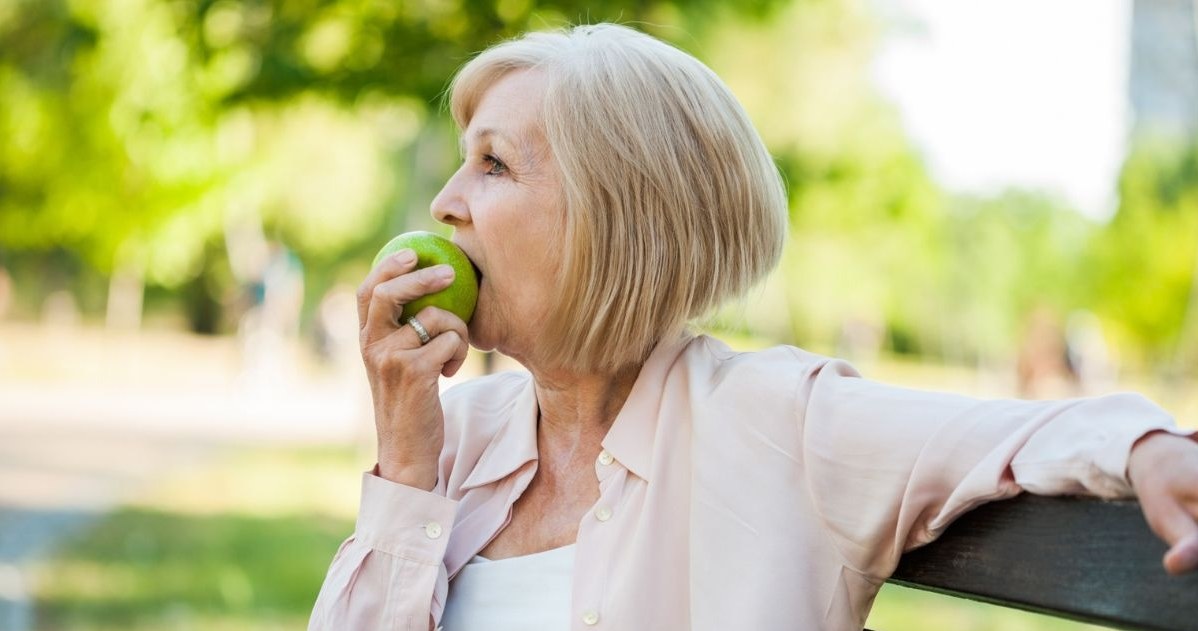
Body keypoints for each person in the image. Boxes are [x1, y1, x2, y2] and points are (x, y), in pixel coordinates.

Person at [309, 23, 1198, 631]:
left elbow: (1003, 432)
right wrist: (408, 467)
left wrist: (1151, 446)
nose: (444, 203)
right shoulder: (453, 439)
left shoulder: (780, 423)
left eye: (493, 164)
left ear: (620, 219)